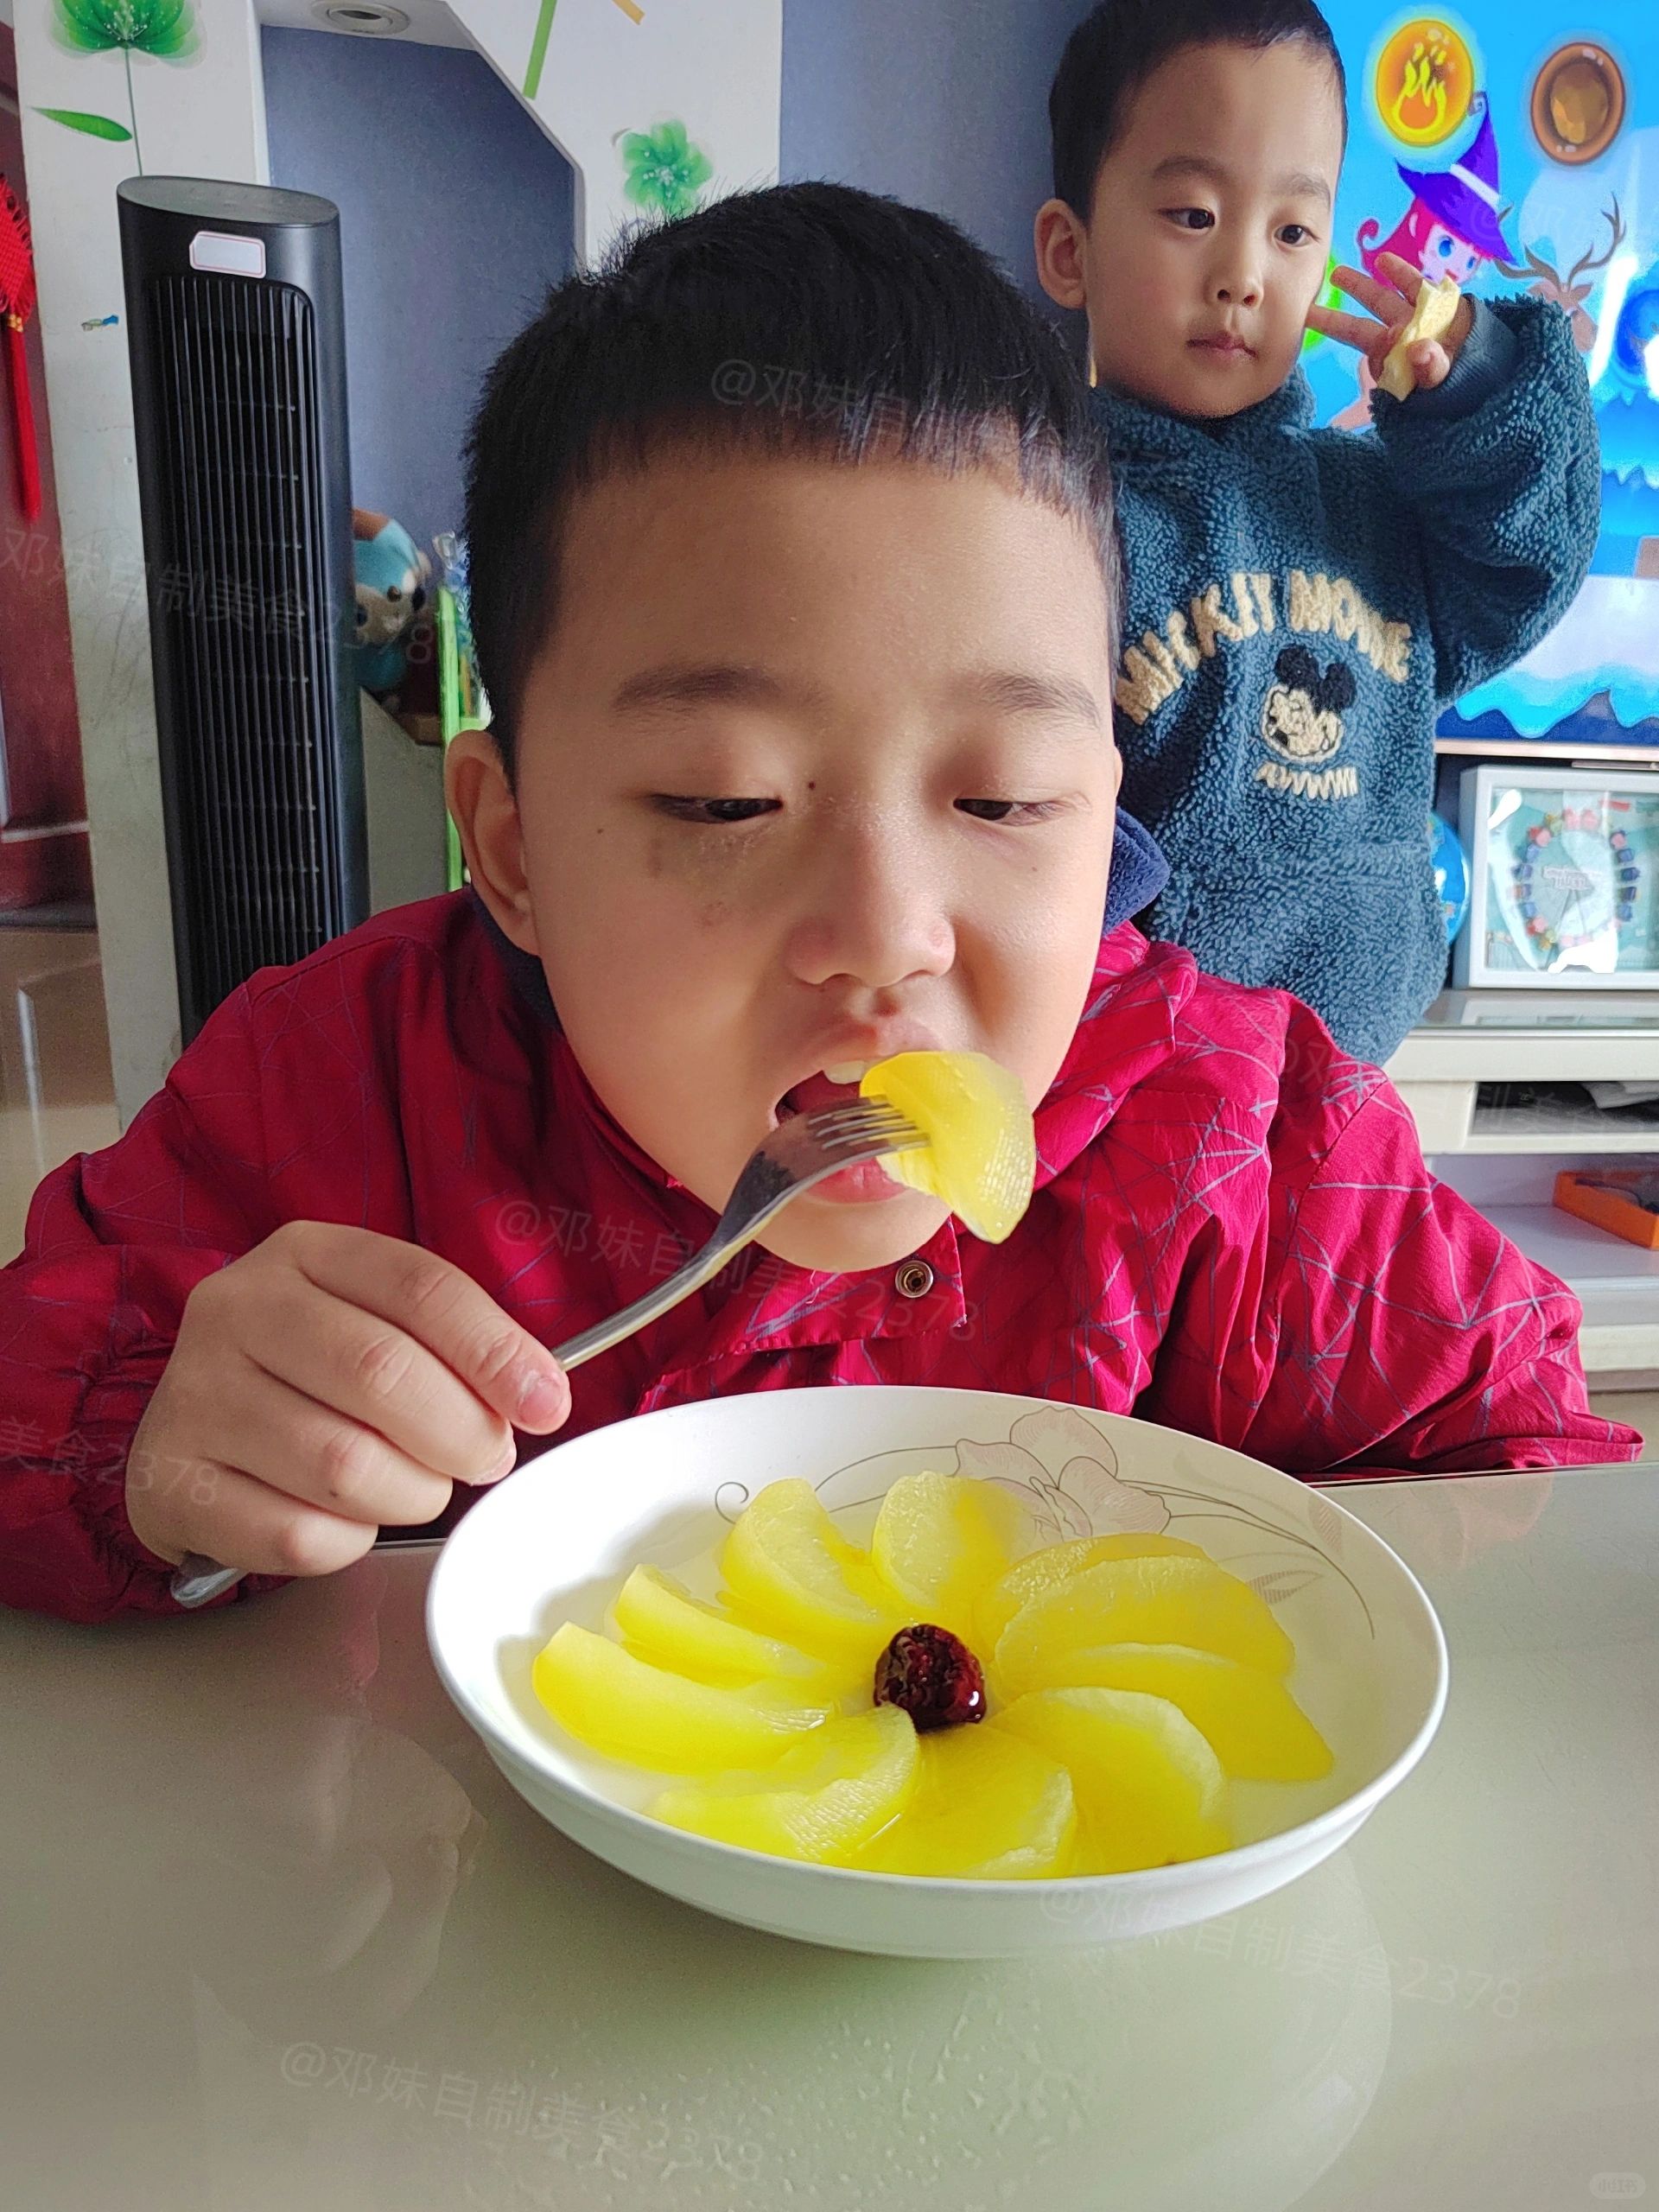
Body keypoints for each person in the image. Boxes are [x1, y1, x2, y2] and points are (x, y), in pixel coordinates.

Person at [0, 182, 1634, 1625]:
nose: (885, 934)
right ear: (510, 849)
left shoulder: (1243, 1151)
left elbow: (1530, 1471)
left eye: (1003, 800)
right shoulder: (348, 1102)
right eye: (724, 804)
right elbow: (31, 1414)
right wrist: (146, 1448)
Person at [1034, 0, 1599, 1065]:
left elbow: (1527, 571)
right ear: (1071, 251)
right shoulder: (1041, 512)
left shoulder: (1377, 504)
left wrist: (1479, 391)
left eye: (1292, 231)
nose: (1243, 274)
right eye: (1193, 214)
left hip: (1352, 1071)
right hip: (1133, 1078)